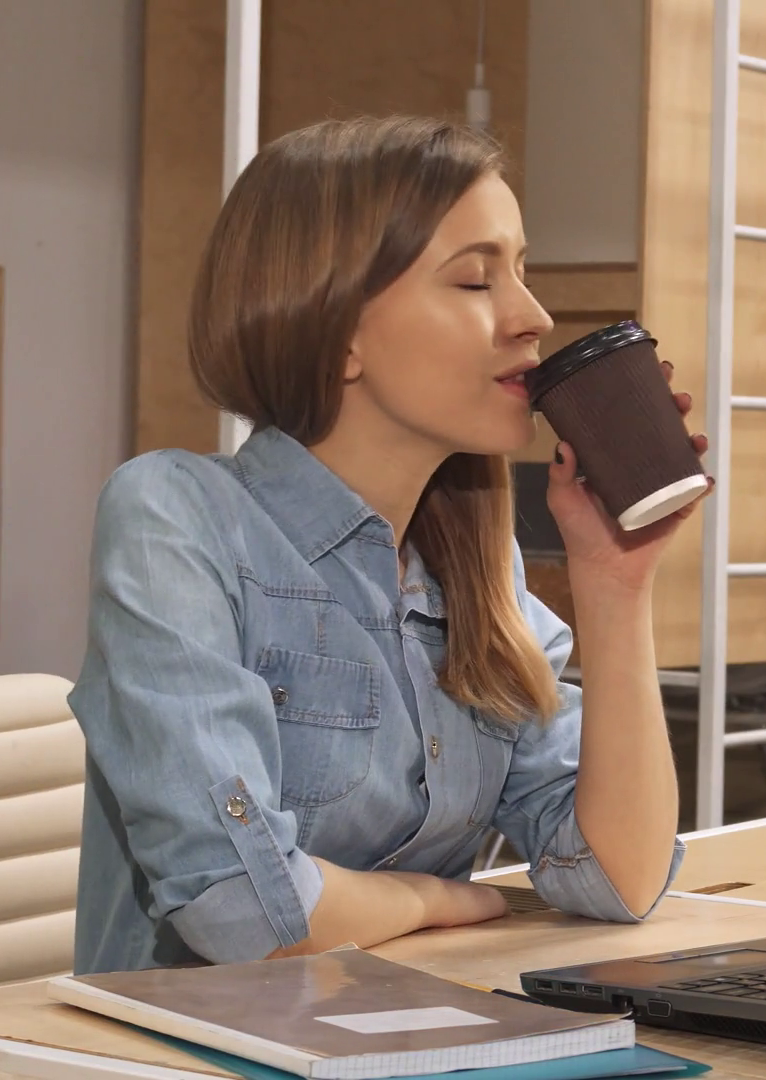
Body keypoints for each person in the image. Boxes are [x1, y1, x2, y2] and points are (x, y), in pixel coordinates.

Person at [69, 116, 698, 974]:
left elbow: (620, 876)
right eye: (475, 280)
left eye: (523, 272)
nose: (534, 317)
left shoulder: (474, 565)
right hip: (191, 1039)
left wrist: (615, 586)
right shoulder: (176, 517)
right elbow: (244, 909)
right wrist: (436, 900)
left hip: (408, 1024)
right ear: (339, 334)